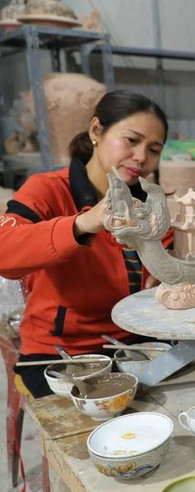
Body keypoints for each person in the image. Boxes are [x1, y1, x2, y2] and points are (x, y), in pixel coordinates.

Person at [0, 90, 171, 398]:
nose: (142, 157)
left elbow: (165, 259)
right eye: (131, 140)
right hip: (60, 351)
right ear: (96, 131)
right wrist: (82, 223)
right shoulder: (49, 190)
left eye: (154, 149)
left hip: (131, 340)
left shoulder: (147, 202)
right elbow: (5, 252)